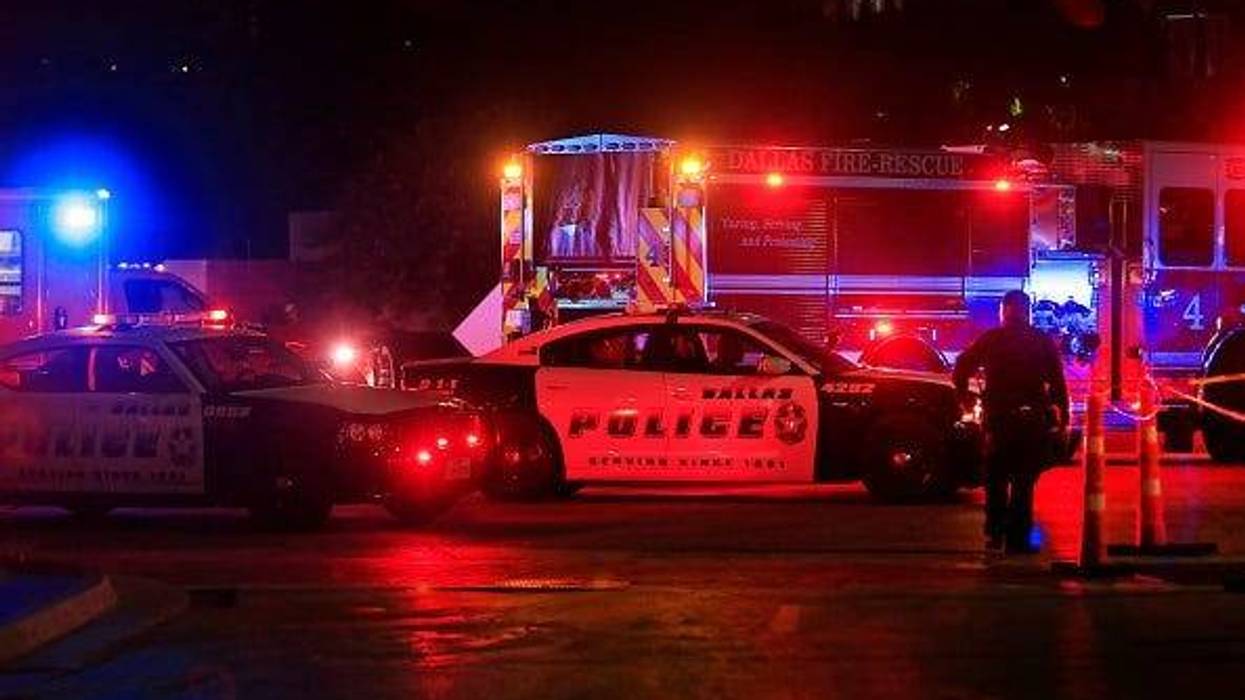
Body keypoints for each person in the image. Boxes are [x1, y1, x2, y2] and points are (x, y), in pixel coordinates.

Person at [953, 290, 1069, 554]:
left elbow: (961, 367)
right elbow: (1058, 384)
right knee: (1024, 482)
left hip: (999, 420)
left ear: (1004, 310)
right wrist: (1063, 418)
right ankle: (1018, 540)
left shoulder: (991, 339)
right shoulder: (1041, 341)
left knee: (995, 480)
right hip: (1031, 420)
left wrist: (966, 400)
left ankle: (995, 535)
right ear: (1027, 311)